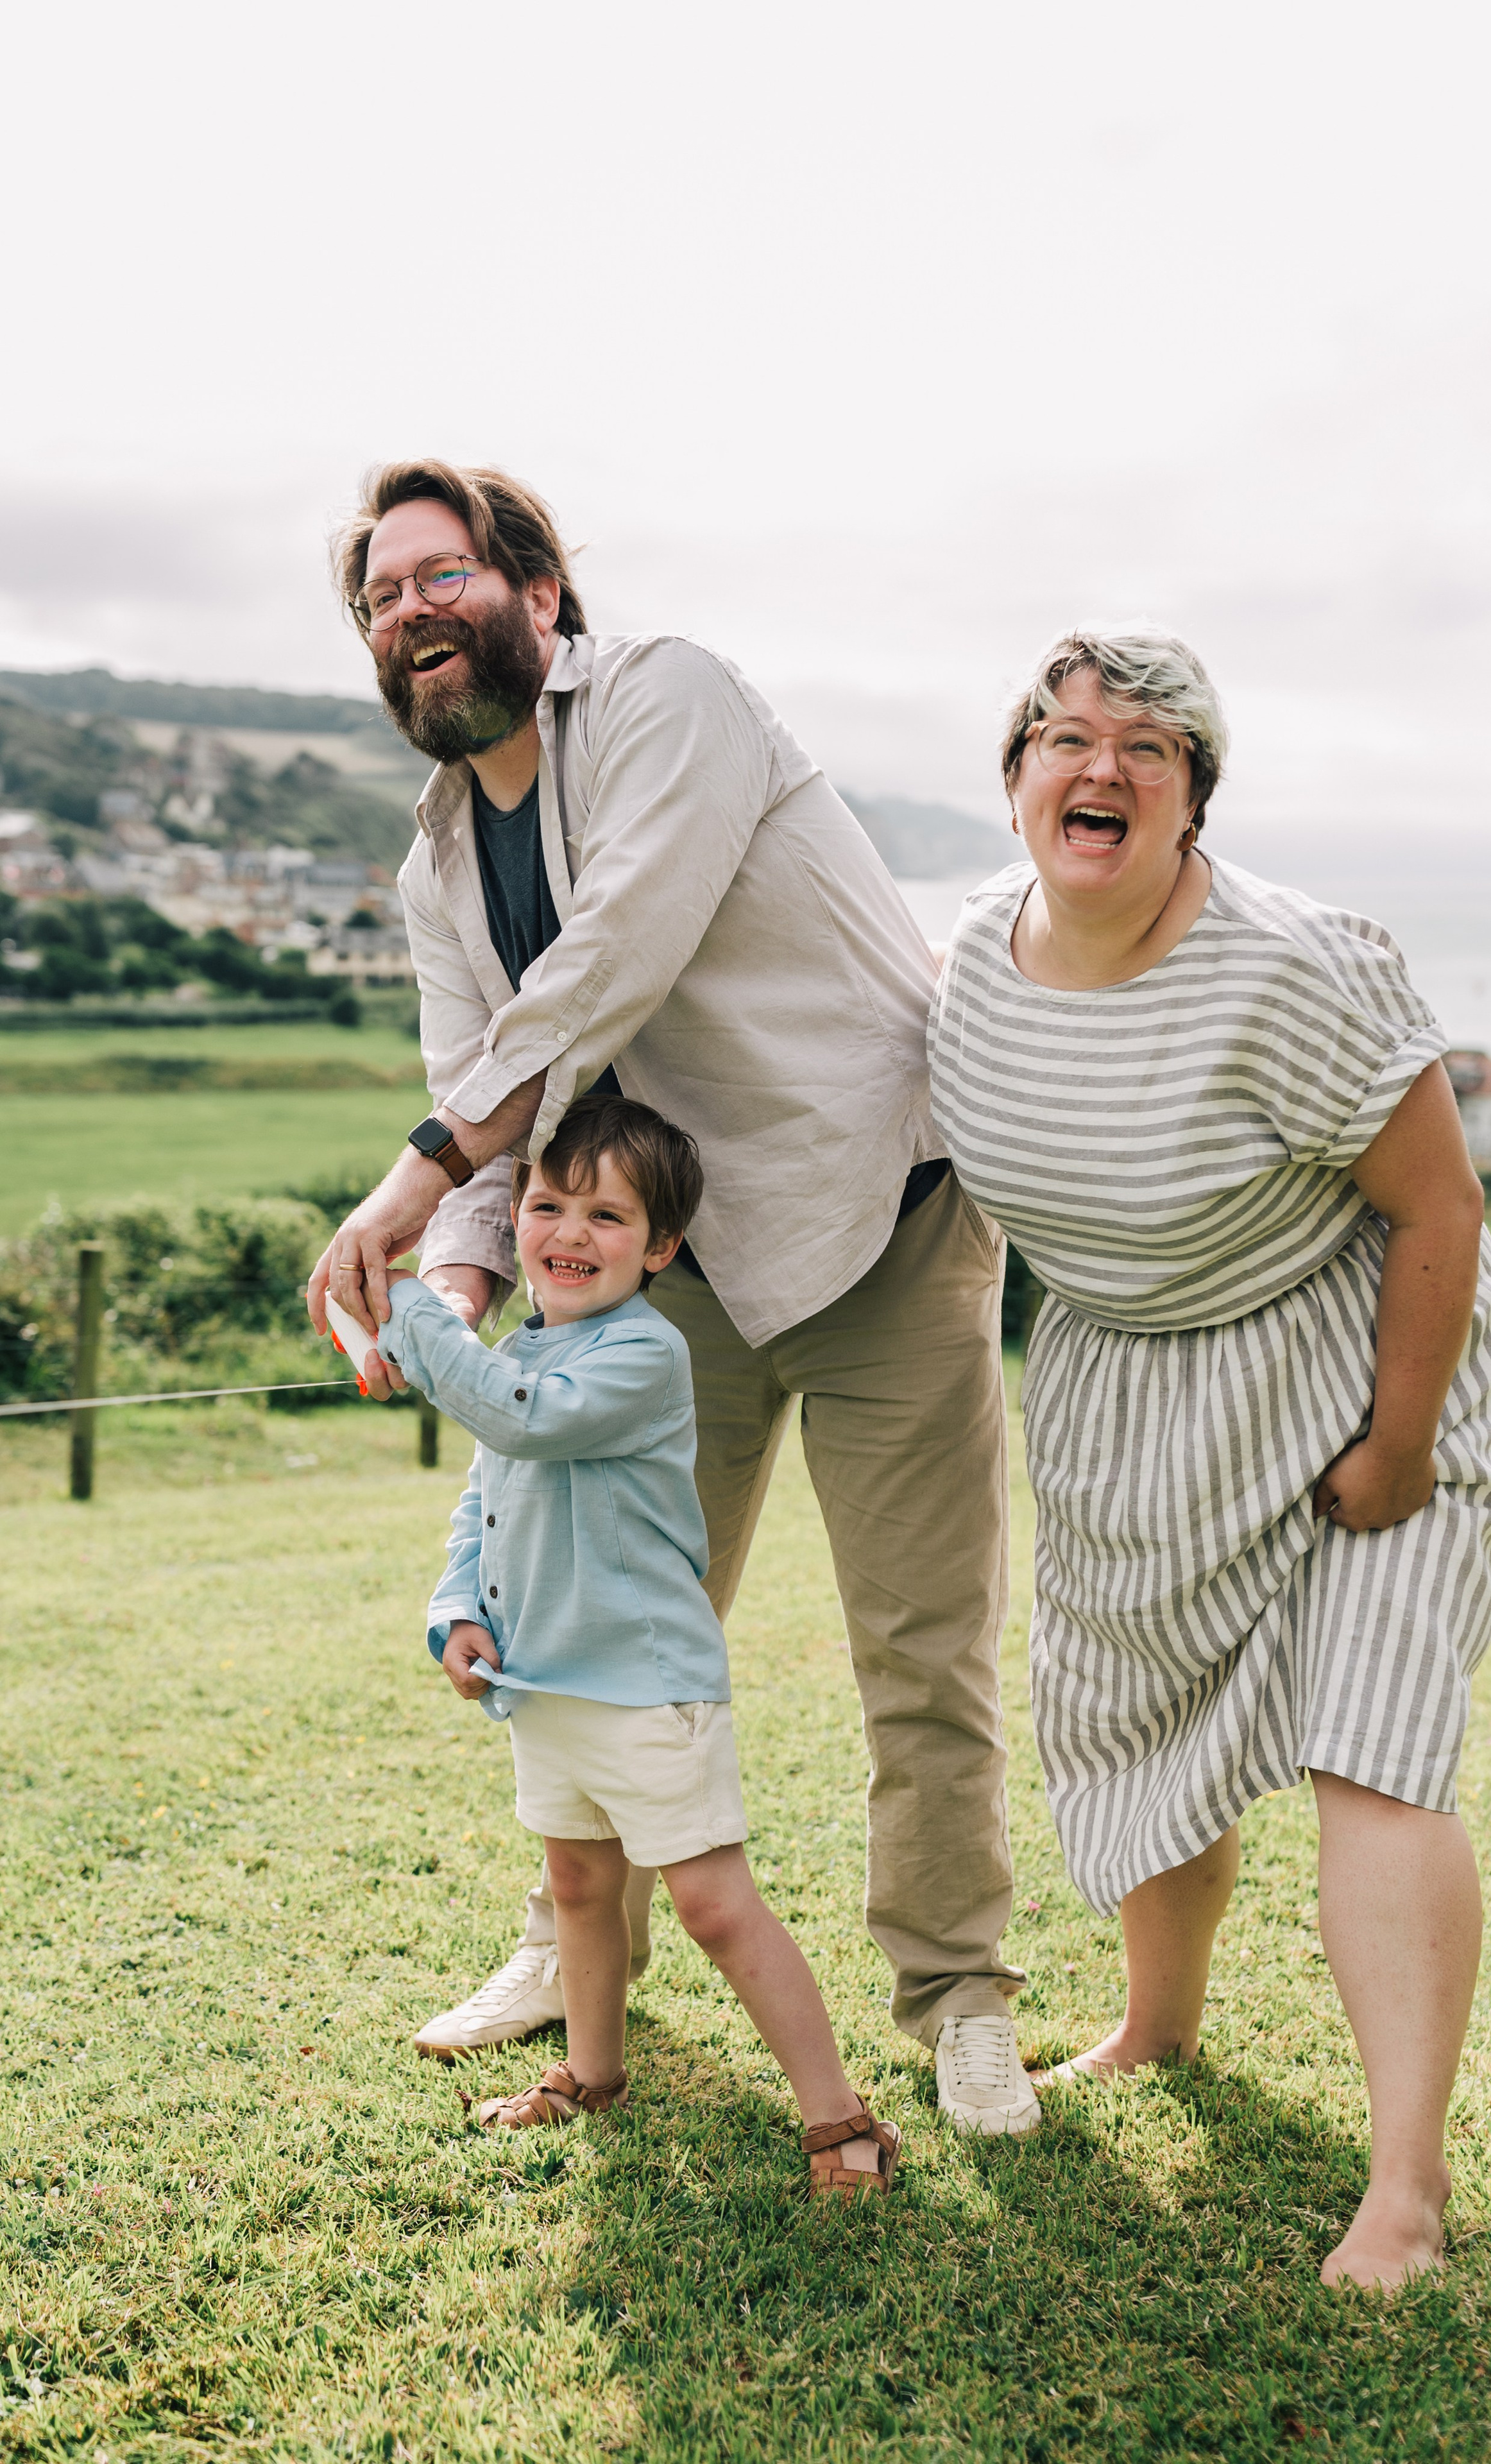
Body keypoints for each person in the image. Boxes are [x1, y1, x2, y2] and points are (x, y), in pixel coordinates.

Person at [305, 459, 1037, 2135]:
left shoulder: (670, 700)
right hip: (669, 1284)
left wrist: (411, 1177)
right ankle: (578, 1961)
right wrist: (460, 1285)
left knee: (919, 1647)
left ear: (538, 598)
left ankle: (956, 1997)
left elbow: (612, 954)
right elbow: (501, 1119)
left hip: (886, 1225)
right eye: (375, 599)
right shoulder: (435, 873)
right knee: (595, 1632)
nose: (406, 609)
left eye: (436, 574)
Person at [927, 629, 1491, 2286]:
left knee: (1373, 1742)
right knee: (1133, 1718)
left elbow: (1441, 1205)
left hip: (1358, 1361)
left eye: (1146, 748)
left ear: (1194, 799)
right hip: (1129, 1391)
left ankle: (1405, 2183)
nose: (1098, 767)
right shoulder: (975, 960)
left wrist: (1400, 1451)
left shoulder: (1293, 963)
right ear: (1017, 781)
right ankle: (1156, 2025)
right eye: (1063, 737)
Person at [373, 1093, 900, 2196]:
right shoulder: (530, 1343)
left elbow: (519, 1417)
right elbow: (490, 1494)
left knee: (712, 1903)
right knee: (578, 1884)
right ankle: (591, 2075)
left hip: (646, 1688)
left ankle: (839, 2117)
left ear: (660, 1248)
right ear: (515, 1215)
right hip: (547, 1681)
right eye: (550, 1204)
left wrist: (421, 1311)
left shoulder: (641, 1357)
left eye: (608, 1218)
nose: (570, 1234)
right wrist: (457, 1607)